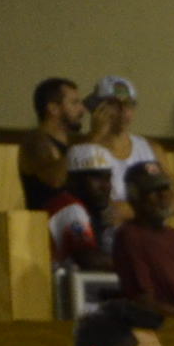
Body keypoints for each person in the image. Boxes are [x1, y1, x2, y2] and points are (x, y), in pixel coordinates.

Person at [112, 163, 174, 315]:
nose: (163, 195)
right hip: (166, 325)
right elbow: (143, 302)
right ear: (135, 195)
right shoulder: (130, 236)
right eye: (153, 190)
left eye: (165, 188)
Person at [81, 76, 158, 215]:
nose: (123, 111)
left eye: (129, 104)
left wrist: (131, 210)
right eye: (114, 104)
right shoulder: (86, 148)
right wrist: (95, 137)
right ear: (97, 109)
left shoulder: (150, 148)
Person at [19, 76, 85, 210]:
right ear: (53, 108)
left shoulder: (70, 143)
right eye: (74, 103)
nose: (82, 110)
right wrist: (93, 139)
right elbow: (55, 180)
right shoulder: (36, 141)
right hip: (45, 222)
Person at [46, 145, 115, 271]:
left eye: (108, 178)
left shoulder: (85, 208)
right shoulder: (68, 207)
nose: (105, 186)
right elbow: (89, 260)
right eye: (96, 178)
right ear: (73, 181)